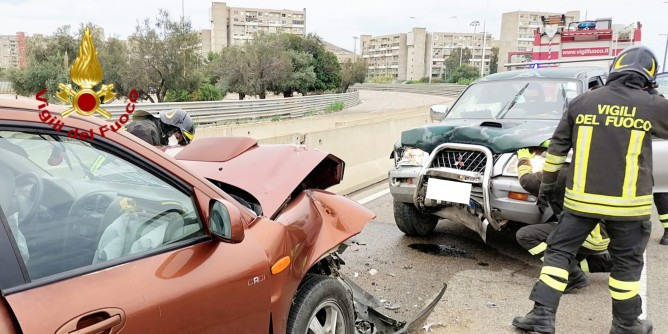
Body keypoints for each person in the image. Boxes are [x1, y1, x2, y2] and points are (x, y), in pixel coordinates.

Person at [511, 46, 668, 334]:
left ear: (614, 70)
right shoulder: (653, 106)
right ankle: (625, 324)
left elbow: (557, 151)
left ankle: (542, 316)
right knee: (627, 266)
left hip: (580, 202)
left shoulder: (583, 101)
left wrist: (546, 186)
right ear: (649, 77)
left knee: (558, 254)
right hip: (628, 206)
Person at [514, 147, 612, 293]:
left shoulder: (558, 174)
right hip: (603, 235)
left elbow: (527, 181)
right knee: (571, 257)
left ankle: (573, 275)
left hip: (582, 235)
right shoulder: (594, 173)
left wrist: (523, 159)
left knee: (525, 235)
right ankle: (612, 263)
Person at [126, 108, 195, 146]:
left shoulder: (159, 133)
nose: (177, 143)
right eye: (178, 138)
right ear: (173, 128)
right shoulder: (143, 130)